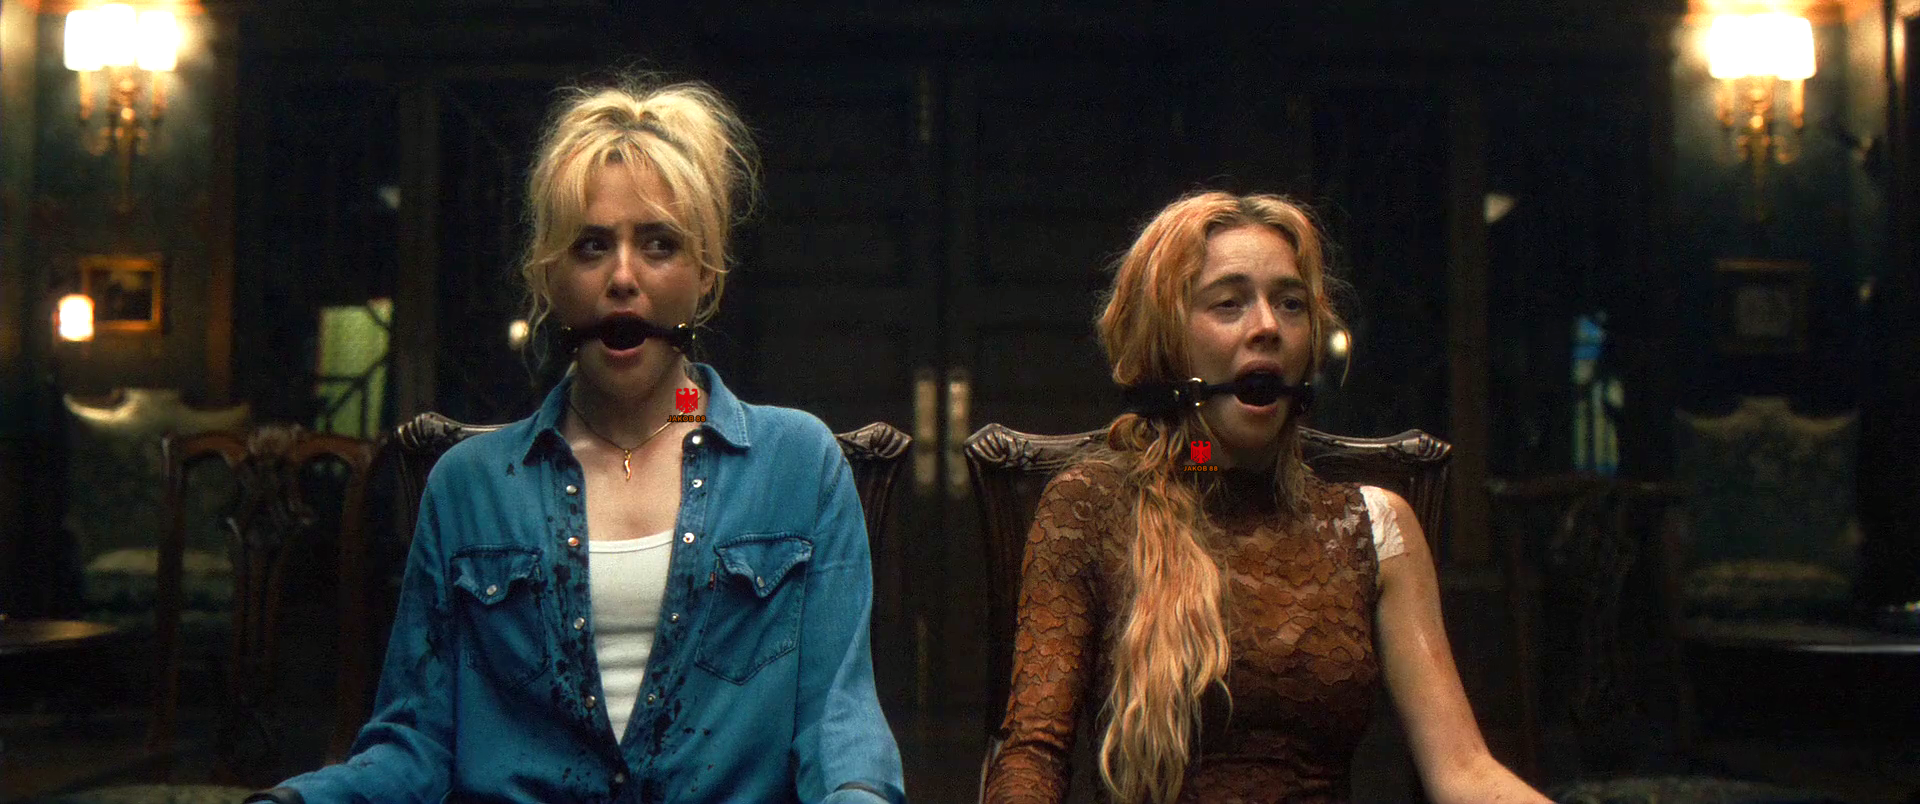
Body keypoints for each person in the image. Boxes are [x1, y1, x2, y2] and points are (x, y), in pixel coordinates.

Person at [255, 76, 905, 804]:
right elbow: (415, 743)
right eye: (592, 246)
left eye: (659, 244)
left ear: (705, 276)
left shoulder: (798, 465)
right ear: (549, 276)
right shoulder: (468, 486)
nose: (623, 277)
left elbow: (840, 722)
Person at [981, 191, 1548, 804]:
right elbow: (1034, 754)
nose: (1268, 327)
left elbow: (1463, 770)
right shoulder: (1092, 506)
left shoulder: (1375, 525)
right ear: (1166, 338)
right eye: (1229, 303)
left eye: (1290, 303)